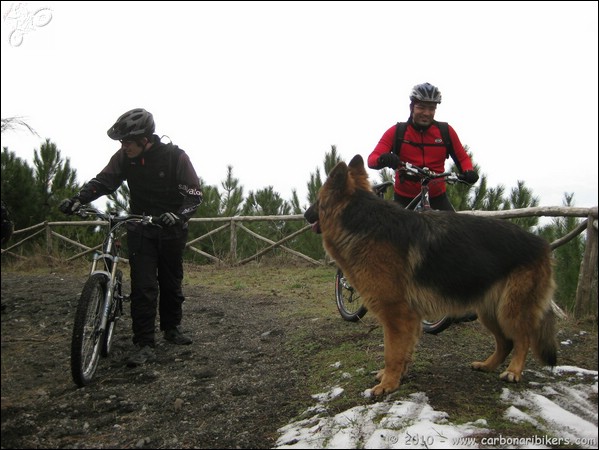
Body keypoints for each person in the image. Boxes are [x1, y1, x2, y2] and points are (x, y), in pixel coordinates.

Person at [59, 108, 203, 367]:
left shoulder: (175, 157)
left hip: (170, 231)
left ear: (144, 139)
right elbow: (105, 181)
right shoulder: (126, 158)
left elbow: (194, 195)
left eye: (127, 142)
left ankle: (172, 328)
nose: (123, 147)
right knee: (143, 288)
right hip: (140, 229)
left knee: (171, 283)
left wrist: (178, 216)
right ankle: (144, 343)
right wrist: (78, 198)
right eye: (121, 143)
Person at [367, 82, 479, 210]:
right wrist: (383, 159)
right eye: (421, 107)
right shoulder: (397, 132)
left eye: (431, 108)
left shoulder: (446, 132)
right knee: (394, 230)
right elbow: (372, 159)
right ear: (411, 107)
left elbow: (463, 158)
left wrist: (468, 171)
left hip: (437, 198)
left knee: (456, 229)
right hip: (404, 198)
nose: (426, 113)